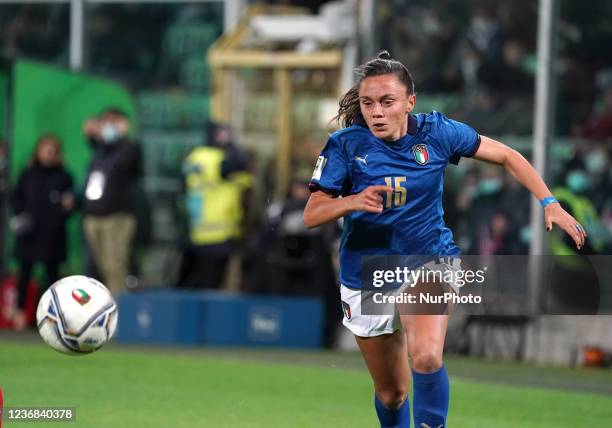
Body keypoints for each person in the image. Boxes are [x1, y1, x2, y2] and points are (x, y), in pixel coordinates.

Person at [303, 51, 586, 428]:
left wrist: (549, 202)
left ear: (410, 102)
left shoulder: (437, 133)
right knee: (392, 394)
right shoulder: (346, 145)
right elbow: (312, 212)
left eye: (387, 102)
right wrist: (351, 201)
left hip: (428, 259)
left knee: (426, 357)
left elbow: (506, 155)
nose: (377, 112)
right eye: (369, 103)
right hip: (366, 271)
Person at [176, 121, 251, 289]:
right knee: (214, 288)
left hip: (197, 231)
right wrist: (233, 146)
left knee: (197, 285)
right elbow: (240, 163)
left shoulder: (195, 157)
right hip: (218, 235)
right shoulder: (217, 158)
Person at [10, 134, 74, 330]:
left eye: (53, 151)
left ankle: (53, 317)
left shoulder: (64, 176)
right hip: (29, 234)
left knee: (52, 276)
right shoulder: (27, 173)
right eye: (46, 150)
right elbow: (16, 198)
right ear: (38, 151)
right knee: (24, 274)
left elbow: (71, 203)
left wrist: (67, 207)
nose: (49, 154)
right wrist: (22, 215)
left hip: (52, 235)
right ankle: (20, 314)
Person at [82, 108, 141, 296]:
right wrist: (92, 136)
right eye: (105, 121)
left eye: (113, 122)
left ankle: (120, 311)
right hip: (94, 216)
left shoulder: (129, 148)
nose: (107, 126)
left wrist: (122, 136)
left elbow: (125, 163)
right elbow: (101, 151)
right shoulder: (103, 151)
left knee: (114, 265)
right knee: (98, 267)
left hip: (117, 217)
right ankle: (106, 309)